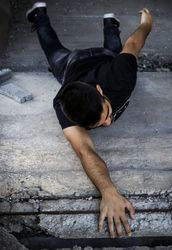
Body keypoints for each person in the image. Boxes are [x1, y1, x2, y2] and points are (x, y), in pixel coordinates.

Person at [26, 2, 153, 238]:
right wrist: (108, 190)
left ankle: (109, 26)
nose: (107, 123)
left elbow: (134, 43)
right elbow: (85, 150)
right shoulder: (62, 104)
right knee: (53, 51)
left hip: (105, 60)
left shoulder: (120, 75)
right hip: (71, 65)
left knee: (115, 52)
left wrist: (147, 25)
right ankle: (39, 14)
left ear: (99, 90)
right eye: (97, 125)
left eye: (105, 114)